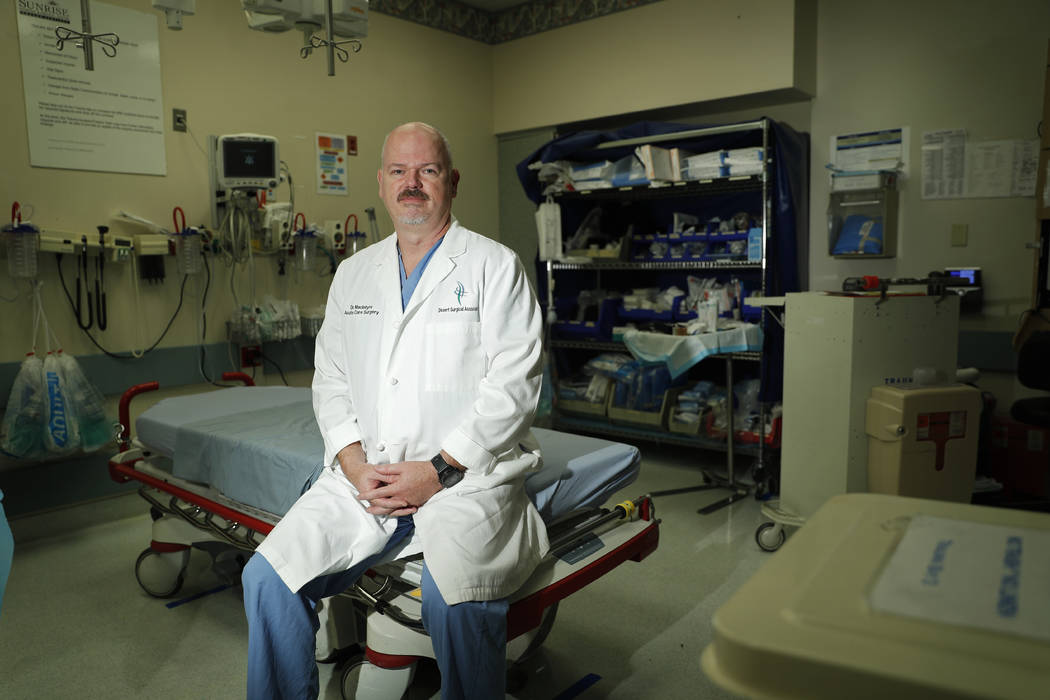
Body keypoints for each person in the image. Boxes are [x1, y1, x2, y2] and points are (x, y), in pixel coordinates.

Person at [241, 121, 547, 699]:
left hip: (464, 481)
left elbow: (514, 385)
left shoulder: (494, 267)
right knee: (267, 578)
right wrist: (354, 464)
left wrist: (438, 470)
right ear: (381, 184)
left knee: (456, 600)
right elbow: (330, 379)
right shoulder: (354, 273)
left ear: (451, 182)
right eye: (400, 172)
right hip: (365, 475)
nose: (413, 184)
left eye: (427, 170)